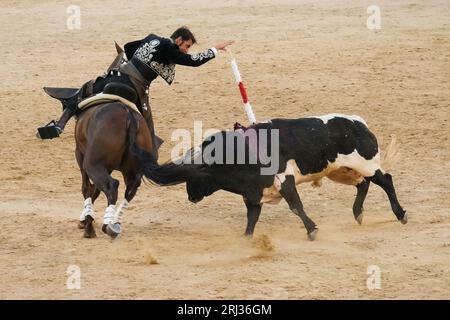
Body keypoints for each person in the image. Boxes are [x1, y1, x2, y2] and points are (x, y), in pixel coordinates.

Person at [38, 26, 233, 157]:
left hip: (117, 75)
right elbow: (193, 62)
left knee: (85, 90)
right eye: (187, 46)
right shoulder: (170, 47)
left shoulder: (152, 38)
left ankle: (59, 125)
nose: (186, 51)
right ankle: (148, 157)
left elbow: (129, 47)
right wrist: (214, 49)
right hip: (136, 87)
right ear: (179, 40)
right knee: (148, 125)